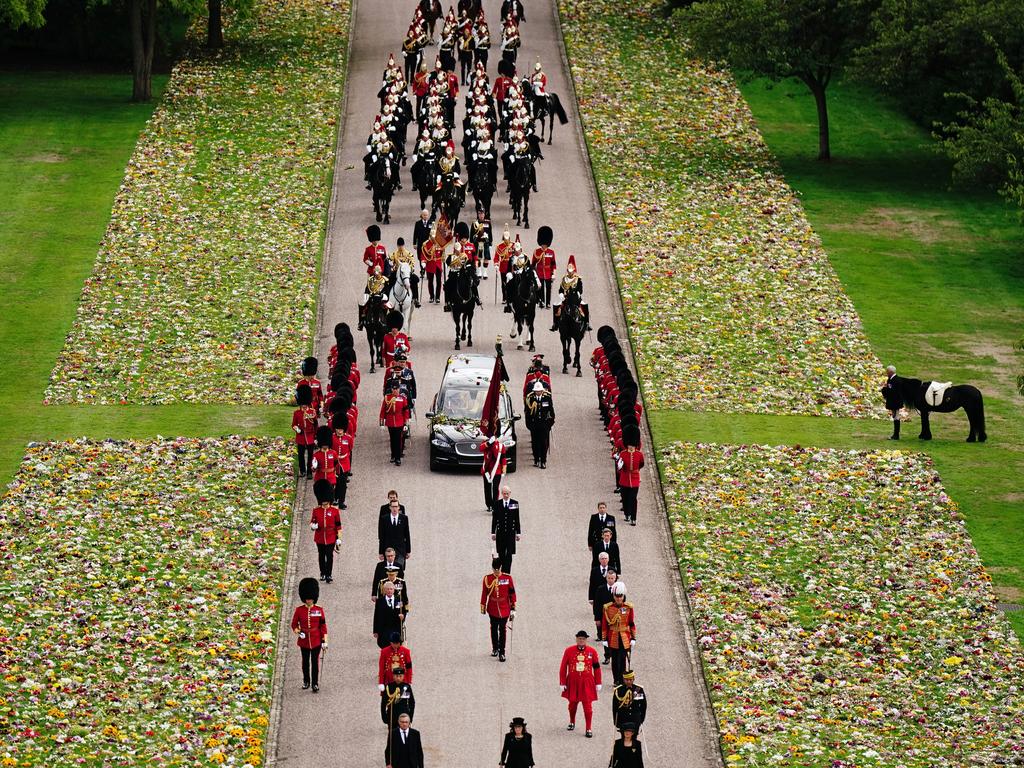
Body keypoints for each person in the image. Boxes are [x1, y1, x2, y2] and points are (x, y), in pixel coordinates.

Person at [559, 630, 602, 737]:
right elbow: (563, 667)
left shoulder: (592, 651)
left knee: (587, 706)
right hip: (573, 681)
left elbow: (596, 668)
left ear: (586, 640)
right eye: (579, 639)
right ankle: (572, 721)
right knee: (572, 704)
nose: (581, 640)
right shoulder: (569, 651)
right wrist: (562, 682)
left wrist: (598, 682)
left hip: (587, 682)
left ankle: (588, 728)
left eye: (583, 639)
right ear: (576, 639)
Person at [291, 577, 328, 692]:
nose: (308, 601)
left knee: (315, 663)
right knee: (305, 662)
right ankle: (306, 681)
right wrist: (298, 632)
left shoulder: (319, 610)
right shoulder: (299, 610)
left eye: (310, 599)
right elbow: (294, 625)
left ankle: (315, 683)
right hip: (304, 640)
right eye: (307, 599)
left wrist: (324, 641)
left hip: (316, 639)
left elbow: (323, 626)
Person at [481, 557, 516, 661]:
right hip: (492, 608)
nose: (496, 572)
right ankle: (495, 648)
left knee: (502, 630)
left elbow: (512, 593)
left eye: (498, 569)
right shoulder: (487, 579)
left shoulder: (508, 578)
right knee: (493, 629)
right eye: (494, 570)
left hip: (504, 608)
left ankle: (502, 652)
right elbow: (484, 593)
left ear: (501, 568)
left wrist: (513, 609)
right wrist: (483, 605)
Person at [601, 582, 636, 685]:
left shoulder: (628, 607)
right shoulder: (608, 608)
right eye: (617, 596)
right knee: (615, 661)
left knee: (622, 659)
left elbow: (631, 623)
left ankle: (622, 680)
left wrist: (633, 638)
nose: (618, 599)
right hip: (613, 637)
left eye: (620, 596)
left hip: (624, 637)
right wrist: (604, 638)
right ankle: (616, 679)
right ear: (614, 596)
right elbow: (605, 624)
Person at [310, 480, 342, 583]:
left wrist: (339, 538)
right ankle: (322, 573)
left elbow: (338, 525)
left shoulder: (334, 511)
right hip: (319, 536)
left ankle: (329, 574)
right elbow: (312, 522)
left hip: (331, 536)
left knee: (329, 556)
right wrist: (313, 526)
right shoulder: (316, 510)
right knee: (321, 555)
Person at [616, 427, 644, 525]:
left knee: (633, 498)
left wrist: (636, 471)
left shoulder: (639, 454)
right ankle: (627, 513)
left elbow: (641, 464)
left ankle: (633, 518)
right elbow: (619, 466)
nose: (630, 447)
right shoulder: (623, 454)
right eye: (629, 445)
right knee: (625, 497)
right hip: (624, 478)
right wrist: (620, 467)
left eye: (632, 445)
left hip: (635, 479)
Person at [523, 380, 555, 468]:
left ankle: (543, 461)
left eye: (539, 391)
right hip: (534, 424)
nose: (538, 392)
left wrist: (550, 423)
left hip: (544, 424)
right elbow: (527, 413)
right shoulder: (530, 398)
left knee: (544, 443)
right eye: (536, 391)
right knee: (535, 443)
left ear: (542, 391)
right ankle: (536, 459)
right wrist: (529, 425)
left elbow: (551, 411)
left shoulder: (547, 397)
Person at [490, 485, 521, 573]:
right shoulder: (497, 504)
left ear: (510, 493)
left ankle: (507, 572)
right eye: (504, 494)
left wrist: (518, 533)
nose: (506, 496)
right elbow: (494, 519)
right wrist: (493, 532)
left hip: (511, 533)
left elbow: (517, 518)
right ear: (502, 494)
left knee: (509, 554)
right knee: (501, 554)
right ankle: (502, 572)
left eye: (507, 494)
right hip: (500, 533)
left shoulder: (514, 503)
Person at [381, 381, 412, 465]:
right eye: (394, 389)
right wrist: (382, 422)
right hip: (390, 421)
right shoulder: (387, 398)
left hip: (400, 421)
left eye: (397, 389)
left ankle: (398, 458)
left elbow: (406, 411)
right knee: (392, 439)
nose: (395, 390)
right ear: (391, 389)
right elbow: (383, 410)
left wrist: (406, 423)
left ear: (399, 389)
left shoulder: (403, 398)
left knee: (398, 440)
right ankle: (393, 455)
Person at [591, 567, 618, 665]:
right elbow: (597, 605)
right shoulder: (600, 589)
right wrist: (597, 618)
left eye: (612, 578)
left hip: (616, 619)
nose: (610, 580)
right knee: (605, 638)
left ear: (615, 579)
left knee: (615, 638)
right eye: (609, 578)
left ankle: (615, 657)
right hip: (604, 618)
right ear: (606, 578)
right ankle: (607, 656)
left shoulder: (619, 589)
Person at [291, 384, 317, 478]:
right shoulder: (297, 413)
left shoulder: (312, 412)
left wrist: (315, 436)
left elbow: (315, 424)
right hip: (301, 436)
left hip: (310, 436)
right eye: (303, 404)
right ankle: (302, 470)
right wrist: (298, 430)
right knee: (301, 455)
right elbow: (293, 425)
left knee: (310, 455)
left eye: (305, 404)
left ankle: (309, 471)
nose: (304, 406)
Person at [378, 498, 412, 569]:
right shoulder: (384, 519)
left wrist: (408, 550)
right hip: (388, 550)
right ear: (390, 507)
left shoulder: (404, 518)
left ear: (399, 507)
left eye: (396, 506)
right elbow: (382, 536)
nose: (394, 508)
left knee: (400, 570)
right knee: (389, 570)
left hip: (400, 550)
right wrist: (381, 552)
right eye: (393, 506)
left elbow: (407, 534)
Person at [374, 580, 407, 648]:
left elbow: (403, 611)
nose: (389, 591)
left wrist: (403, 616)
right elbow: (376, 616)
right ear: (384, 590)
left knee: (396, 646)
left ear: (394, 590)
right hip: (384, 629)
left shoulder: (399, 600)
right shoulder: (380, 601)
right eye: (387, 589)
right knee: (385, 646)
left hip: (396, 627)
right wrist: (375, 631)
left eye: (391, 589)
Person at [479, 434, 507, 511]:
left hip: (497, 470)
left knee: (495, 488)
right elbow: (480, 448)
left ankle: (495, 505)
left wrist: (504, 470)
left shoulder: (500, 446)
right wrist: (489, 443)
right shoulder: (486, 443)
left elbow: (503, 459)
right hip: (487, 470)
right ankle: (489, 505)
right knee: (487, 488)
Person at [532, 226, 556, 308]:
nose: (544, 246)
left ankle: (548, 303)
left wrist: (554, 274)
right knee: (541, 288)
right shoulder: (536, 252)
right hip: (539, 272)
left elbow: (553, 264)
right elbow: (533, 264)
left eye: (545, 244)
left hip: (548, 273)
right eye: (543, 244)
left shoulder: (551, 252)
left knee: (548, 288)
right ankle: (541, 301)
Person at [882, 364, 901, 440]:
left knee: (896, 417)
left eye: (887, 372)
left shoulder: (896, 380)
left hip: (895, 402)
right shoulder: (890, 379)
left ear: (890, 372)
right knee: (895, 417)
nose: (887, 373)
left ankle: (896, 435)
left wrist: (884, 390)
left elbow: (893, 392)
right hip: (893, 401)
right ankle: (895, 434)